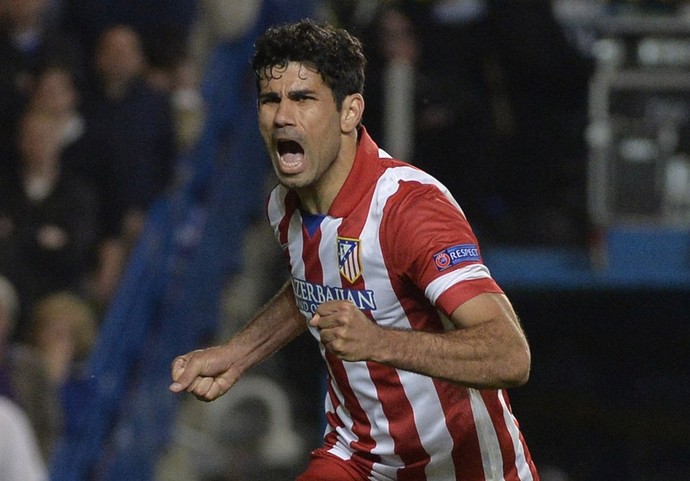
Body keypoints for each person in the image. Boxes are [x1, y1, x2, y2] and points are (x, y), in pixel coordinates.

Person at [170, 19, 539, 481]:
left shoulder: (410, 209)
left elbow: (510, 355)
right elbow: (314, 284)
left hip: (465, 468)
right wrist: (238, 353)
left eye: (303, 98)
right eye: (270, 99)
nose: (283, 115)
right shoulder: (284, 206)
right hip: (360, 460)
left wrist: (378, 341)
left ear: (350, 112)